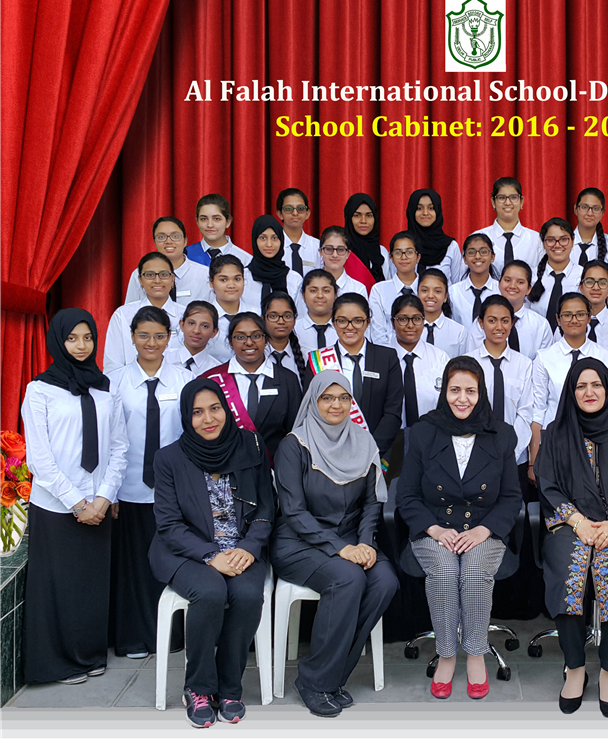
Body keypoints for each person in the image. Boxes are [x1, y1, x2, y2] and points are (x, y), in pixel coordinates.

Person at [271, 371, 398, 717]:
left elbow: (372, 502)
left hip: (351, 539)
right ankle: (313, 681)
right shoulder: (294, 446)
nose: (336, 405)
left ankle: (333, 675)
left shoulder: (364, 441)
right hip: (299, 543)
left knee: (385, 581)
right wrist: (342, 549)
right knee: (348, 578)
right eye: (327, 397)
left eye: (344, 398)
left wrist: (365, 543)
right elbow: (294, 512)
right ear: (313, 401)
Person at [149, 380, 274, 727]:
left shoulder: (250, 445)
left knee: (248, 594)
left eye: (215, 408)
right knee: (210, 591)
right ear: (186, 417)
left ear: (225, 409)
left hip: (241, 548)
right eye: (197, 412)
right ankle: (199, 687)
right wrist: (210, 555)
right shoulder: (169, 458)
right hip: (186, 551)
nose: (208, 419)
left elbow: (266, 507)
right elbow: (169, 525)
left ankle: (230, 686)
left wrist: (249, 547)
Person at [397, 357, 523, 700]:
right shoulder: (423, 432)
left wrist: (485, 531)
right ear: (444, 392)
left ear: (481, 393)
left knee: (475, 572)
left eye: (471, 390)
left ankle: (477, 654)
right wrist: (435, 530)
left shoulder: (501, 435)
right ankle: (447, 655)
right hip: (435, 528)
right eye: (455, 390)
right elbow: (406, 495)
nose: (462, 399)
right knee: (444, 572)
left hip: (483, 528)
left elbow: (511, 497)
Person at [535, 358, 608, 718]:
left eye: (596, 384)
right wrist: (577, 521)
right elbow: (548, 484)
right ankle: (575, 668)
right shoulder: (556, 433)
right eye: (581, 386)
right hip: (570, 524)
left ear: (607, 388)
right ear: (571, 392)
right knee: (568, 576)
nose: (589, 392)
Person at [21, 309, 128, 685]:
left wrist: (103, 497)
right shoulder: (39, 390)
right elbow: (40, 459)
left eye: (87, 337)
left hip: (98, 504)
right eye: (72, 338)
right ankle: (58, 662)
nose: (81, 345)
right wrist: (77, 502)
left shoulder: (105, 387)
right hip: (57, 506)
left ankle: (90, 654)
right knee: (59, 587)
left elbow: (119, 448)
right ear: (58, 341)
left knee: (91, 586)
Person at [108, 307, 192, 658]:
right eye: (143, 335)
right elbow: (108, 440)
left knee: (169, 560)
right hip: (128, 488)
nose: (151, 342)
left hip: (172, 490)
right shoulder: (113, 381)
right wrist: (109, 492)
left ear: (169, 338)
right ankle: (134, 637)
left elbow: (191, 435)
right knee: (134, 565)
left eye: (159, 335)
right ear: (132, 337)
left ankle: (172, 636)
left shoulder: (183, 380)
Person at [301, 293, 404, 465]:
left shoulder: (387, 358)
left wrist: (371, 451)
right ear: (333, 323)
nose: (350, 327)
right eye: (342, 321)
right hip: (329, 454)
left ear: (368, 322)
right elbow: (312, 411)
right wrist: (331, 450)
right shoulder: (317, 361)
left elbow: (393, 412)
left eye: (357, 320)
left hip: (376, 453)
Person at [531, 293, 608, 481]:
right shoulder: (544, 358)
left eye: (580, 314)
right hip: (556, 442)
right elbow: (538, 410)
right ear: (558, 319)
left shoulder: (605, 356)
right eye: (567, 315)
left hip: (597, 442)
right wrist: (534, 461)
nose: (574, 320)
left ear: (589, 317)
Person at [201, 313, 302, 458]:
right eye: (240, 337)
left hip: (274, 465)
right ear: (230, 342)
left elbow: (295, 431)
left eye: (256, 336)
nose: (249, 342)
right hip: (225, 464)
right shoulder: (211, 379)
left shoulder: (287, 379)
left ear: (266, 339)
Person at [467, 295, 534, 471]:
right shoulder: (467, 364)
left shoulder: (524, 365)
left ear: (512, 323)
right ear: (481, 323)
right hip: (474, 455)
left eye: (505, 321)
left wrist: (510, 450)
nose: (499, 327)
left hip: (514, 457)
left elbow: (525, 413)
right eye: (492, 320)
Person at [104, 252, 185, 371]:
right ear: (140, 280)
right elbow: (113, 365)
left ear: (172, 279)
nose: (157, 280)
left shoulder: (186, 316)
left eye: (163, 274)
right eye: (150, 275)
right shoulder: (123, 315)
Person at [390, 294, 450, 438]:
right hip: (391, 440)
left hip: (432, 436)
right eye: (403, 319)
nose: (410, 325)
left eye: (416, 319)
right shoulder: (382, 358)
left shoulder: (440, 358)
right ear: (393, 323)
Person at [125, 217, 210, 304]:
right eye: (161, 237)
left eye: (175, 236)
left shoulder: (205, 274)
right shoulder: (140, 274)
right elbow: (130, 309)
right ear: (154, 241)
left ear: (185, 241)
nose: (168, 241)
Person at [473, 176, 543, 276]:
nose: (507, 202)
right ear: (493, 202)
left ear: (521, 201)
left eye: (513, 197)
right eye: (501, 198)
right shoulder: (478, 238)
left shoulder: (536, 240)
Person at [243, 214, 305, 319]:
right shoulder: (243, 278)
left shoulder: (294, 279)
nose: (269, 244)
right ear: (254, 240)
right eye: (263, 238)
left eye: (274, 238)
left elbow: (299, 319)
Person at [529, 218, 584, 330]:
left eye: (563, 239)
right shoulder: (531, 277)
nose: (557, 245)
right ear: (543, 242)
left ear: (573, 240)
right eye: (551, 240)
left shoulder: (584, 276)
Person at [368, 232, 421, 345]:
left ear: (418, 257)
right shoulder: (379, 290)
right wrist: (390, 354)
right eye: (398, 252)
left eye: (409, 252)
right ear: (391, 257)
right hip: (388, 353)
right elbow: (378, 334)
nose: (404, 257)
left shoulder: (428, 289)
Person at [207, 255, 259, 363]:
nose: (231, 285)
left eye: (237, 279)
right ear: (211, 282)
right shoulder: (205, 317)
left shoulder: (258, 314)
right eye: (223, 280)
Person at [406, 188, 463, 282]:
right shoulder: (403, 245)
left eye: (431, 208)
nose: (425, 213)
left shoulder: (451, 247)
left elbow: (457, 284)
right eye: (419, 208)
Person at [570, 188, 608, 281]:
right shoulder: (562, 243)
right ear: (575, 209)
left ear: (602, 212)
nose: (590, 213)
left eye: (596, 208)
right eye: (584, 207)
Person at [185, 193, 251, 267]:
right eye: (203, 219)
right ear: (197, 221)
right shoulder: (185, 256)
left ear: (228, 222)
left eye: (216, 219)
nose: (210, 225)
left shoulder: (245, 261)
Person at [449, 233, 499, 328]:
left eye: (483, 251)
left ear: (492, 257)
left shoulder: (501, 291)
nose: (477, 256)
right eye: (471, 252)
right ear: (464, 259)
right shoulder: (453, 292)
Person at [417, 267, 468, 357]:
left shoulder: (459, 332)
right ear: (417, 293)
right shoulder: (409, 329)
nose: (430, 295)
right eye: (425, 290)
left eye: (437, 291)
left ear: (445, 297)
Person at [262, 291, 310, 386]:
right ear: (263, 319)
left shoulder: (307, 356)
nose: (281, 321)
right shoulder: (256, 356)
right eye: (273, 316)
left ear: (295, 319)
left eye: (287, 316)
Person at [574, 260, 608, 350]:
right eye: (590, 282)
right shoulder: (569, 322)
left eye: (602, 283)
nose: (596, 288)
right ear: (581, 287)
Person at [165, 301, 222, 375]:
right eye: (191, 323)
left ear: (214, 332)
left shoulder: (216, 371)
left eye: (205, 326)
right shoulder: (163, 359)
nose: (196, 331)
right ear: (182, 325)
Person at [343, 192, 388, 286]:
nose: (363, 221)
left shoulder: (382, 252)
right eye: (357, 215)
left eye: (369, 215)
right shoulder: (341, 251)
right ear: (349, 218)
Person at [275, 188, 320, 276]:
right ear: (280, 214)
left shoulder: (317, 247)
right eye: (288, 208)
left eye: (300, 208)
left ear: (307, 213)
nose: (295, 213)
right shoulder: (272, 246)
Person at [319, 226, 369, 298]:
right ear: (321, 252)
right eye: (329, 249)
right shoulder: (310, 285)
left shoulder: (358, 289)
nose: (335, 255)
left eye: (341, 249)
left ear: (348, 254)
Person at [298, 269, 339, 351]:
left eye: (326, 291)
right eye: (313, 291)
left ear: (335, 295)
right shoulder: (294, 330)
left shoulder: (344, 329)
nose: (320, 295)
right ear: (303, 295)